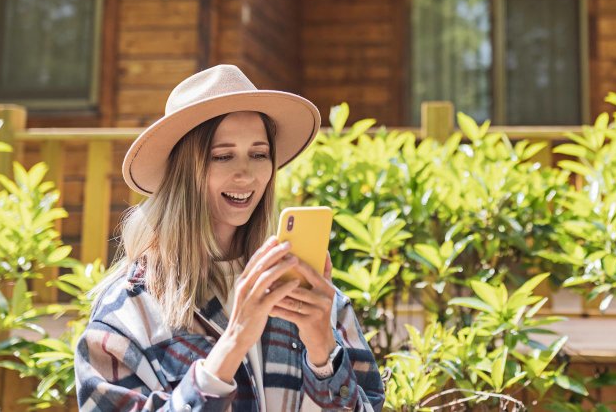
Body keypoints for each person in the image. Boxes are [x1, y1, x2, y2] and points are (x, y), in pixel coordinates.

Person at [74, 64, 385, 411]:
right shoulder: (128, 313)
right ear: (181, 174)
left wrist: (323, 353)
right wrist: (234, 342)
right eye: (223, 156)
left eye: (259, 154)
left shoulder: (317, 297)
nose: (246, 174)